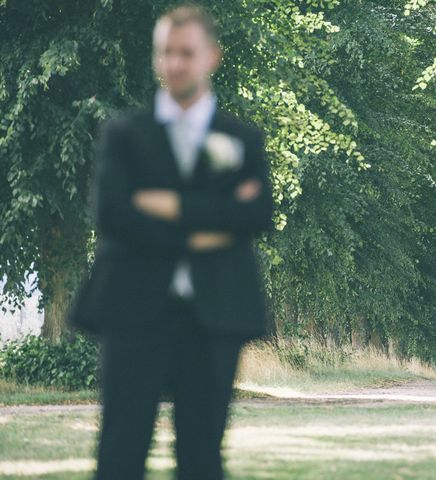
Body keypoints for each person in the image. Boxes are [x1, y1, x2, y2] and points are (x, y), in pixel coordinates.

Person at [69, 5, 273, 479]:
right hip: (133, 309)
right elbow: (113, 213)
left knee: (203, 457)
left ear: (211, 57)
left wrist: (168, 205)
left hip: (216, 312)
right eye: (166, 52)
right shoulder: (125, 133)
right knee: (120, 451)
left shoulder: (241, 138)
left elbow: (257, 216)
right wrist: (213, 223)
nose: (175, 63)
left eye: (186, 52)